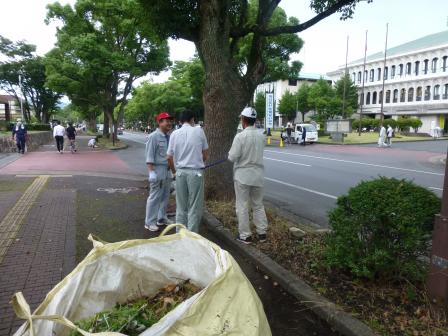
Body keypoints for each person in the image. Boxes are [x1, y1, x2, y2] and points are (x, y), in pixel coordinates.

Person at [228, 107, 268, 244]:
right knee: (258, 205)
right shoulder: (262, 136)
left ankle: (245, 235)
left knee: (242, 206)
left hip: (243, 176)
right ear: (255, 120)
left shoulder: (240, 136)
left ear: (243, 120)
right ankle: (262, 233)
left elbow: (232, 157)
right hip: (258, 175)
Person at [167, 109, 208, 233]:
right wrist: (199, 161)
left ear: (180, 121)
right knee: (194, 206)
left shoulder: (174, 134)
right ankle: (192, 235)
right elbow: (205, 153)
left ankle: (180, 233)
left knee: (181, 206)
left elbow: (169, 157)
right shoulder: (199, 131)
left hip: (180, 172)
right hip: (195, 172)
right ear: (192, 120)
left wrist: (174, 171)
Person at [145, 112, 175, 232]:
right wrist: (151, 171)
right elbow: (149, 155)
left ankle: (161, 218)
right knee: (155, 197)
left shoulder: (168, 136)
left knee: (165, 196)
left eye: (170, 120)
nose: (169, 123)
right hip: (157, 170)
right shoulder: (153, 136)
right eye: (166, 120)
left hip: (167, 170)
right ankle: (149, 222)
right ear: (159, 122)